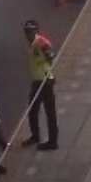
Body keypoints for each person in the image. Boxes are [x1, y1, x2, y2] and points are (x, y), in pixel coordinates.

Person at [22, 20, 58, 151]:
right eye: (26, 32)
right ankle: (35, 136)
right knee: (32, 110)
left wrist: (45, 60)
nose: (28, 34)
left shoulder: (40, 42)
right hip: (37, 81)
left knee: (50, 113)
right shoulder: (32, 44)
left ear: (36, 31)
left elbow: (51, 55)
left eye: (30, 31)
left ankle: (53, 141)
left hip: (45, 81)